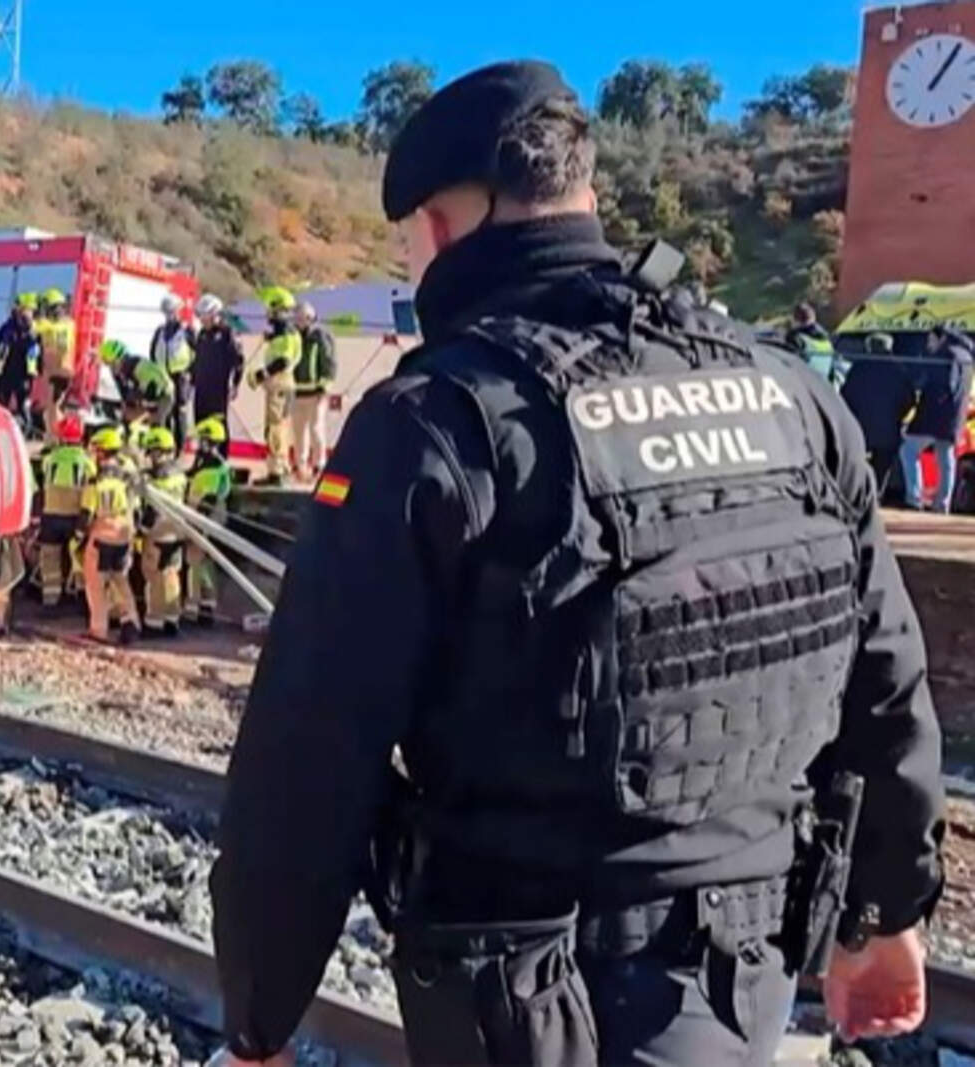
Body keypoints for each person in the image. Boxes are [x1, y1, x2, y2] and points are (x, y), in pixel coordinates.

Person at [210, 60, 944, 1067]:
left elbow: (306, 758)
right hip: (749, 975)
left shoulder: (432, 423)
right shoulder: (789, 395)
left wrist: (257, 1017)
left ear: (439, 226)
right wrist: (882, 912)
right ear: (583, 195)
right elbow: (886, 681)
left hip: (526, 998)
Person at [899, 325, 975, 513]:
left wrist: (923, 400)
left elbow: (941, 387)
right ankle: (942, 504)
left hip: (936, 415)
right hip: (955, 417)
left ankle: (914, 497)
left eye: (930, 339)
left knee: (908, 449)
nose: (928, 344)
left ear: (940, 338)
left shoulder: (945, 355)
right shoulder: (966, 356)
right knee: (946, 458)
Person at [79, 425, 139, 644]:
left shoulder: (96, 483)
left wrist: (78, 537)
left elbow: (86, 515)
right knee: (121, 581)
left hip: (101, 538)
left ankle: (98, 630)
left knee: (95, 585)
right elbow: (137, 510)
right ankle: (130, 621)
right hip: (124, 537)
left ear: (102, 452)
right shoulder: (128, 481)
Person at [840, 332, 915, 498]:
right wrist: (898, 415)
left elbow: (845, 395)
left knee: (857, 462)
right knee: (882, 466)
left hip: (860, 427)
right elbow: (910, 399)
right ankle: (875, 496)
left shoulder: (859, 368)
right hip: (889, 428)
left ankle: (856, 494)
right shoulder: (899, 369)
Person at [36, 413, 95, 609]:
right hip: (74, 517)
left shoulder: (50, 459)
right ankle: (80, 597)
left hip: (51, 515)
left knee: (50, 557)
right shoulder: (87, 462)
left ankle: (50, 598)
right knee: (78, 557)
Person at [246, 287, 302, 487]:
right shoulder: (284, 334)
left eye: (271, 310)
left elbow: (283, 361)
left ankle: (277, 472)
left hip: (279, 384)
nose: (268, 314)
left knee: (275, 428)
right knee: (279, 427)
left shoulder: (286, 333)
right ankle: (279, 468)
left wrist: (262, 374)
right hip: (281, 384)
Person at [136, 425, 188, 638]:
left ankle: (154, 622)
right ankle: (172, 619)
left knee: (154, 577)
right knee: (171, 576)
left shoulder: (154, 480)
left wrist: (142, 530)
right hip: (177, 532)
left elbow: (152, 510)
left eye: (151, 452)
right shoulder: (180, 475)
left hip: (157, 534)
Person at [183, 416, 233, 628]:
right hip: (206, 516)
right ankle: (204, 604)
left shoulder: (214, 468)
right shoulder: (211, 464)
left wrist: (197, 523)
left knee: (197, 562)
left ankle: (198, 608)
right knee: (201, 563)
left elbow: (209, 499)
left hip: (205, 518)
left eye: (201, 441)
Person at [289, 301, 337, 483]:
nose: (300, 321)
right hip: (297, 391)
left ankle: (319, 465)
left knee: (316, 429)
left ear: (311, 318)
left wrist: (325, 386)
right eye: (297, 318)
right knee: (298, 432)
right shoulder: (293, 336)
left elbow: (329, 362)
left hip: (316, 392)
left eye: (303, 318)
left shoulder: (320, 336)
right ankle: (300, 466)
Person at [192, 294, 245, 454]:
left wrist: (235, 384)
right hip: (201, 387)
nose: (202, 320)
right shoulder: (201, 334)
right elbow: (198, 358)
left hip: (219, 387)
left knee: (218, 422)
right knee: (201, 422)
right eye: (200, 316)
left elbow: (239, 362)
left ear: (215, 314)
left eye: (205, 316)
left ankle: (221, 456)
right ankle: (202, 455)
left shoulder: (228, 333)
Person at [151, 295, 197, 451]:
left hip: (182, 376)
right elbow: (153, 353)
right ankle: (166, 446)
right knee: (165, 412)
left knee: (180, 413)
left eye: (173, 311)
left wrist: (191, 373)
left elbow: (198, 353)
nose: (170, 315)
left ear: (179, 311)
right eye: (167, 312)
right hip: (165, 377)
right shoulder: (160, 331)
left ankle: (180, 448)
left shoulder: (187, 330)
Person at [101, 340, 176, 431]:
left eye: (112, 364)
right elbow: (125, 395)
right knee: (126, 413)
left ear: (120, 359)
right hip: (151, 392)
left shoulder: (136, 366)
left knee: (155, 425)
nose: (111, 368)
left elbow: (154, 388)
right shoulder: (120, 372)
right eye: (108, 365)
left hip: (163, 394)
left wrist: (142, 408)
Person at [33, 288, 77, 440]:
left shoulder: (51, 327)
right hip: (62, 371)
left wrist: (38, 314)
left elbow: (35, 328)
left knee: (52, 408)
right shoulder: (69, 325)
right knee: (52, 408)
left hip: (58, 371)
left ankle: (56, 437)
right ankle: (58, 435)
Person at [0, 293, 38, 427]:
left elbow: (37, 353)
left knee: (22, 406)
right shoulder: (8, 327)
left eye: (28, 311)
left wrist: (35, 372)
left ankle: (25, 433)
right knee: (1, 403)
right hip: (6, 373)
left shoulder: (33, 331)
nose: (26, 314)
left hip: (23, 375)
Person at [787, 301, 843, 386]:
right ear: (814, 318)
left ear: (795, 320)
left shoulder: (796, 340)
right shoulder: (827, 343)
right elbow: (831, 375)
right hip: (823, 391)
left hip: (803, 388)